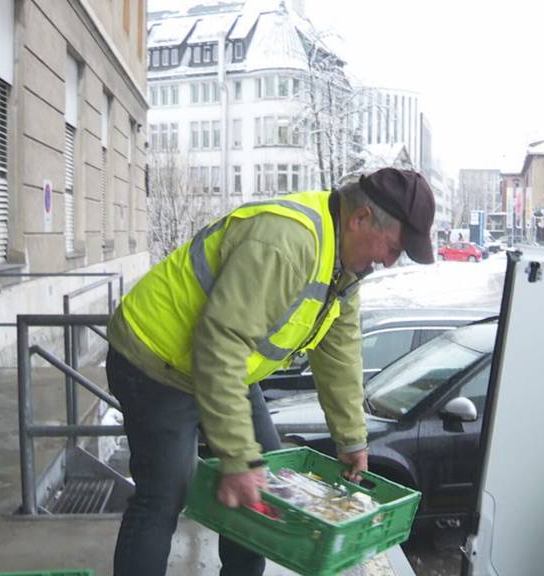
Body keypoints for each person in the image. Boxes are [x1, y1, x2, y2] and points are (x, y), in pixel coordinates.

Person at [105, 168, 436, 576]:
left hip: (222, 366)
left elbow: (340, 355)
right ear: (361, 218)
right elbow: (220, 343)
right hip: (155, 358)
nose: (388, 262)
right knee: (167, 492)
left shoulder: (345, 269)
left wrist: (351, 439)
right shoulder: (287, 242)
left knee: (266, 484)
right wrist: (237, 458)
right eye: (393, 248)